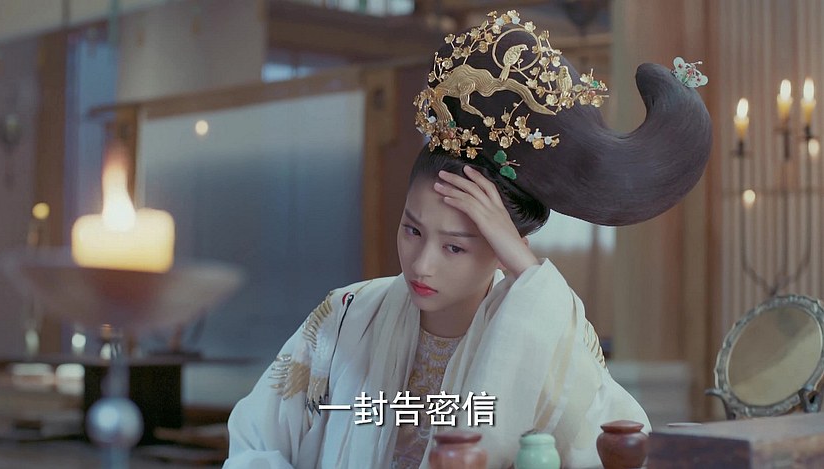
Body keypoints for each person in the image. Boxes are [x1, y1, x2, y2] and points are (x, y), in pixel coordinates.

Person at [224, 10, 711, 469]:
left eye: (455, 246)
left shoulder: (546, 326)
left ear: (502, 250)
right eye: (412, 229)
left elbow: (610, 439)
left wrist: (526, 268)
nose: (422, 264)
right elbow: (256, 441)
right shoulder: (348, 316)